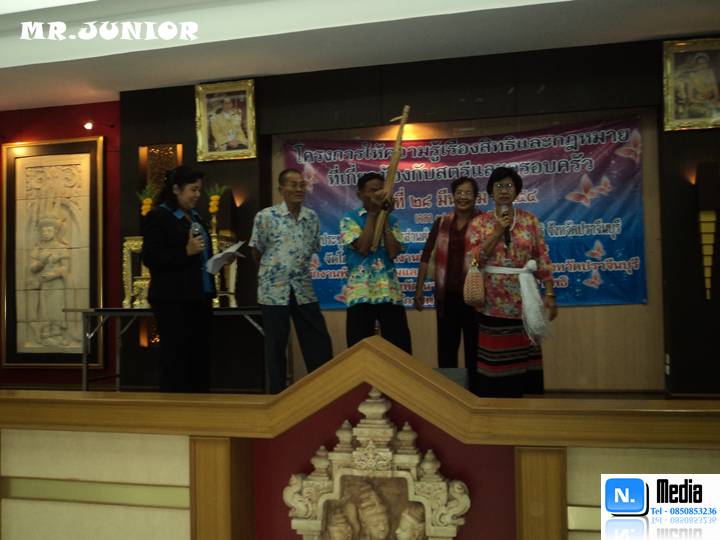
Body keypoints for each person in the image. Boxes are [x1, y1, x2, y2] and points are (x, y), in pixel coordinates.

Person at [467, 166, 557, 397]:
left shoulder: (530, 221)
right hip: (492, 301)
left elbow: (542, 257)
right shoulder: (480, 223)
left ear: (517, 191)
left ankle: (526, 407)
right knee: (495, 362)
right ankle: (495, 406)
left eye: (509, 186)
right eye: (499, 186)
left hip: (525, 300)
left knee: (525, 359)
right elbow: (473, 259)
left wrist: (549, 293)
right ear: (491, 192)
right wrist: (498, 231)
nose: (504, 190)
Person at [249, 168, 333, 394]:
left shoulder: (311, 217)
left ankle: (324, 392)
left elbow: (312, 248)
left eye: (301, 185)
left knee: (318, 341)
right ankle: (277, 396)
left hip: (303, 288)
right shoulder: (266, 216)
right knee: (276, 346)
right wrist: (274, 271)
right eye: (293, 185)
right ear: (281, 189)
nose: (298, 189)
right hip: (273, 291)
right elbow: (256, 251)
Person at [142, 165, 215, 393]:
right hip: (173, 299)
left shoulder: (195, 217)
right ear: (176, 189)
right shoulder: (158, 216)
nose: (197, 195)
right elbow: (150, 257)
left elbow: (200, 254)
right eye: (193, 189)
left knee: (199, 356)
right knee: (176, 357)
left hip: (199, 296)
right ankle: (175, 405)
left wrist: (218, 260)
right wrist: (185, 252)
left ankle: (200, 404)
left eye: (199, 190)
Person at [340, 172, 412, 353]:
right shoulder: (350, 218)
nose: (378, 194)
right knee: (359, 351)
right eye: (373, 190)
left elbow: (393, 252)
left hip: (389, 291)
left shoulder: (392, 220)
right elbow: (363, 248)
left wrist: (384, 217)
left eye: (381, 190)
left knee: (400, 348)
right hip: (360, 292)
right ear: (360, 195)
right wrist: (373, 214)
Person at [414, 176, 480, 370]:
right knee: (446, 351)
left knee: (475, 350)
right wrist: (419, 290)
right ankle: (448, 388)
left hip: (475, 297)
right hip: (447, 296)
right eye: (459, 193)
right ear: (453, 196)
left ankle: (475, 388)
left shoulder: (484, 222)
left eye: (468, 193)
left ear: (476, 197)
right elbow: (426, 256)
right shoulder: (441, 223)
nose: (463, 197)